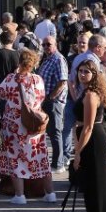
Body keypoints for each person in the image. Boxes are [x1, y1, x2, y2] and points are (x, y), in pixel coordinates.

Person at [0, 48, 54, 204]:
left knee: (16, 158)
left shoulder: (11, 79)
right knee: (41, 158)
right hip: (35, 124)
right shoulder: (38, 80)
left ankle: (20, 195)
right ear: (34, 63)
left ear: (19, 62)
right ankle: (50, 193)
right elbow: (41, 97)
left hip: (15, 124)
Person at [70, 61, 106, 212]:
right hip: (91, 139)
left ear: (95, 74)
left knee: (95, 189)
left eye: (87, 71)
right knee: (96, 188)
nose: (82, 74)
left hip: (93, 140)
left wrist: (77, 152)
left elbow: (87, 127)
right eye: (80, 71)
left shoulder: (90, 95)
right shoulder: (87, 92)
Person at [38, 35, 69, 173]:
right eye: (43, 45)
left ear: (55, 44)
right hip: (46, 101)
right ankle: (55, 162)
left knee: (55, 132)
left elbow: (63, 81)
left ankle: (58, 164)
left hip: (54, 101)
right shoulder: (48, 59)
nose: (45, 47)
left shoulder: (58, 59)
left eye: (48, 44)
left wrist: (51, 97)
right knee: (51, 132)